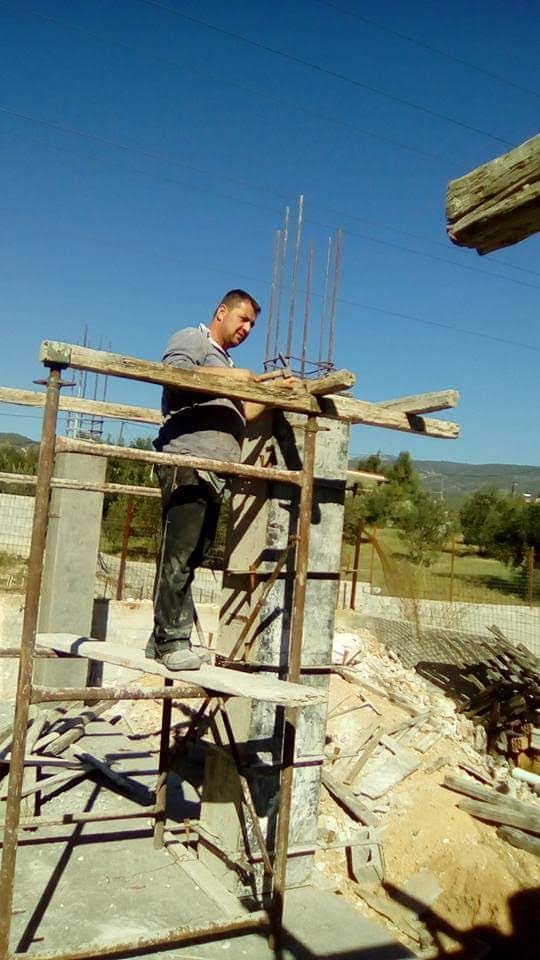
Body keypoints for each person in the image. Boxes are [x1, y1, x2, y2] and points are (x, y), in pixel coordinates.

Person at [147, 289, 294, 671]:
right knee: (179, 555)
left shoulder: (225, 362)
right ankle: (170, 641)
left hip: (214, 471)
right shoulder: (192, 340)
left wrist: (270, 394)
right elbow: (174, 376)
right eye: (243, 319)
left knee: (193, 555)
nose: (247, 329)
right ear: (222, 311)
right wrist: (235, 376)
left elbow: (244, 413)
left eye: (252, 325)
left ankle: (161, 639)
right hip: (187, 462)